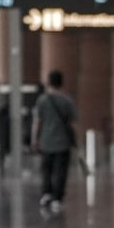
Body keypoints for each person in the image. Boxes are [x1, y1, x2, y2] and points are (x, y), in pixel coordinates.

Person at [31, 70, 78, 213]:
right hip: (63, 143)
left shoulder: (42, 100)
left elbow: (37, 122)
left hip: (46, 142)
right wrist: (76, 140)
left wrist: (34, 139)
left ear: (48, 83)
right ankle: (57, 198)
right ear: (61, 83)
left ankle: (46, 194)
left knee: (46, 170)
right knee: (61, 171)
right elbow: (74, 123)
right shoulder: (67, 101)